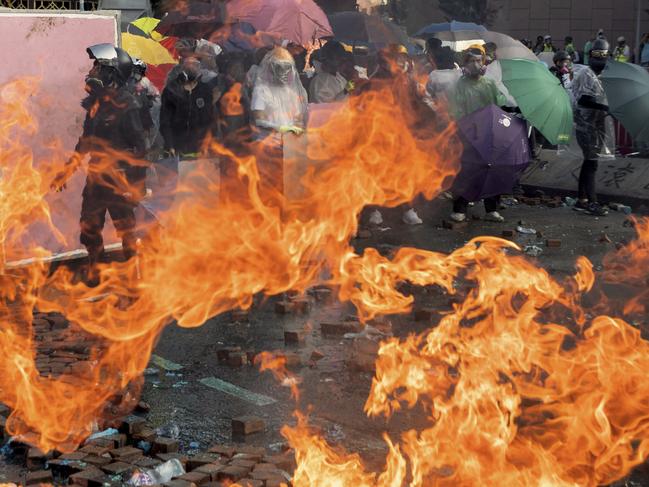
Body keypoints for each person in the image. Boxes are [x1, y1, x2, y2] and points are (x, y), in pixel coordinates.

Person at [51, 44, 147, 286]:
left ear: (111, 74)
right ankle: (96, 267)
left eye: (98, 66)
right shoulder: (94, 105)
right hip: (96, 177)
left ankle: (135, 274)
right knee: (89, 226)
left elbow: (141, 147)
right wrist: (67, 171)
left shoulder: (129, 105)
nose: (92, 70)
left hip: (119, 178)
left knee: (126, 229)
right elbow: (85, 142)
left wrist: (136, 184)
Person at [448, 46, 508, 223]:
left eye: (479, 61)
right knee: (466, 171)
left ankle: (492, 209)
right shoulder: (459, 85)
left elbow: (499, 103)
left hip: (488, 132)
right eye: (472, 61)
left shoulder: (488, 83)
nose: (476, 64)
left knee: (491, 170)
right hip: (467, 133)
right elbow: (455, 110)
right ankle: (460, 208)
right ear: (464, 63)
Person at [250, 47, 308, 209]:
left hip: (288, 147)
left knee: (288, 187)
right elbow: (259, 119)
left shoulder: (291, 93)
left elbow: (298, 118)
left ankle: (285, 220)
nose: (283, 72)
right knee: (269, 186)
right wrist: (282, 128)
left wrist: (296, 128)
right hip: (268, 146)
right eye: (279, 68)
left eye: (286, 68)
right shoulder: (261, 90)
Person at [571, 38, 610, 216]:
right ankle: (592, 202)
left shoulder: (601, 75)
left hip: (596, 125)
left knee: (589, 162)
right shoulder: (586, 73)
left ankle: (582, 199)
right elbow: (584, 99)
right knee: (592, 163)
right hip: (585, 125)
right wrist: (605, 107)